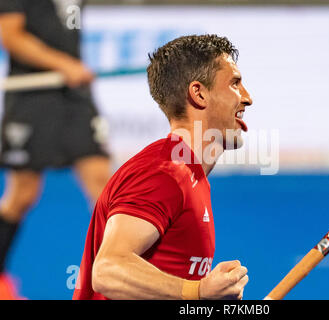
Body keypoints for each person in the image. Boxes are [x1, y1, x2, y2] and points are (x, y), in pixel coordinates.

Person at [73, 34, 253, 300]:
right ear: (198, 93)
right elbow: (108, 269)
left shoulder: (188, 175)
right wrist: (199, 291)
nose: (247, 98)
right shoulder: (166, 172)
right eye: (235, 83)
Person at [0, 0, 110, 299]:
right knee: (22, 194)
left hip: (74, 95)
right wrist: (64, 64)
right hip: (30, 93)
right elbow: (10, 35)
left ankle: (113, 282)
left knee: (104, 188)